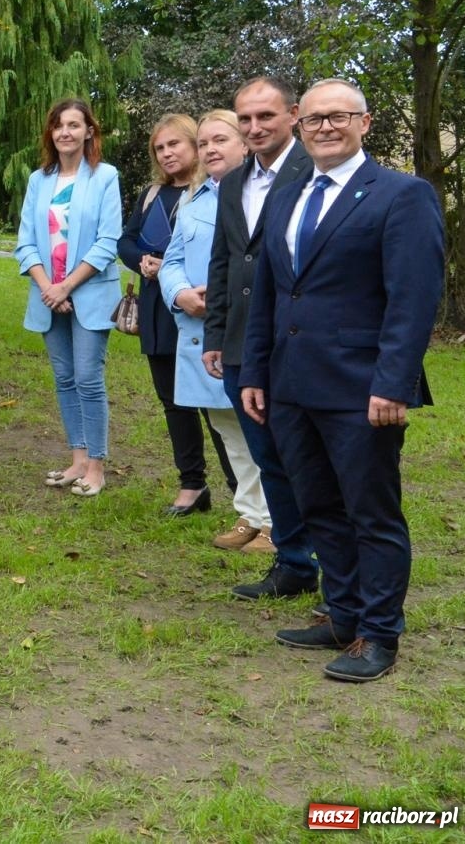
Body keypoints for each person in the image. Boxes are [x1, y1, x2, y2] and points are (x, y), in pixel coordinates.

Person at [241, 78, 444, 682]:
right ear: (299, 126)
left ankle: (380, 634)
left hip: (363, 387)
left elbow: (413, 300)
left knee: (370, 511)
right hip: (291, 384)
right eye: (314, 119)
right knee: (319, 505)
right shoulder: (289, 193)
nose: (325, 128)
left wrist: (393, 383)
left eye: (339, 117)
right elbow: (272, 293)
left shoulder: (401, 195)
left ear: (365, 123)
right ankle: (344, 613)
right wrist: (256, 369)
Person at [203, 75, 322, 601]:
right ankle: (293, 564)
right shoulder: (233, 182)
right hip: (240, 347)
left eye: (265, 116)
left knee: (312, 460)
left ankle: (334, 564)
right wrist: (216, 335)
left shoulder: (316, 170)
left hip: (300, 344)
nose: (254, 127)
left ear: (292, 114)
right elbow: (227, 261)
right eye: (245, 119)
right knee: (268, 457)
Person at [159, 110, 273, 552]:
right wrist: (180, 293)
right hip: (199, 332)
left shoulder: (264, 193)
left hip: (245, 330)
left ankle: (277, 523)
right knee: (228, 430)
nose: (210, 150)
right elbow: (171, 260)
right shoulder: (195, 198)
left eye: (220, 140)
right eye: (204, 142)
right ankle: (251, 514)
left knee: (261, 429)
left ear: (244, 143)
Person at [119, 113, 234, 516]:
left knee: (218, 402)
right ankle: (192, 484)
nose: (167, 153)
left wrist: (172, 268)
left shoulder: (216, 191)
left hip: (201, 308)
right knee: (173, 402)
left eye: (175, 145)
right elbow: (127, 240)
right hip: (158, 308)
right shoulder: (152, 194)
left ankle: (244, 491)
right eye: (160, 148)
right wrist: (143, 262)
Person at [14, 98, 122, 497]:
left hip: (88, 293)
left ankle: (97, 466)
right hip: (48, 296)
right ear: (50, 133)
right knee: (64, 379)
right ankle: (77, 460)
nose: (65, 132)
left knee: (88, 379)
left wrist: (67, 286)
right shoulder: (38, 180)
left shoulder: (105, 177)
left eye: (74, 125)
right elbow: (25, 243)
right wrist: (49, 288)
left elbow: (108, 241)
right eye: (58, 125)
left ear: (89, 131)